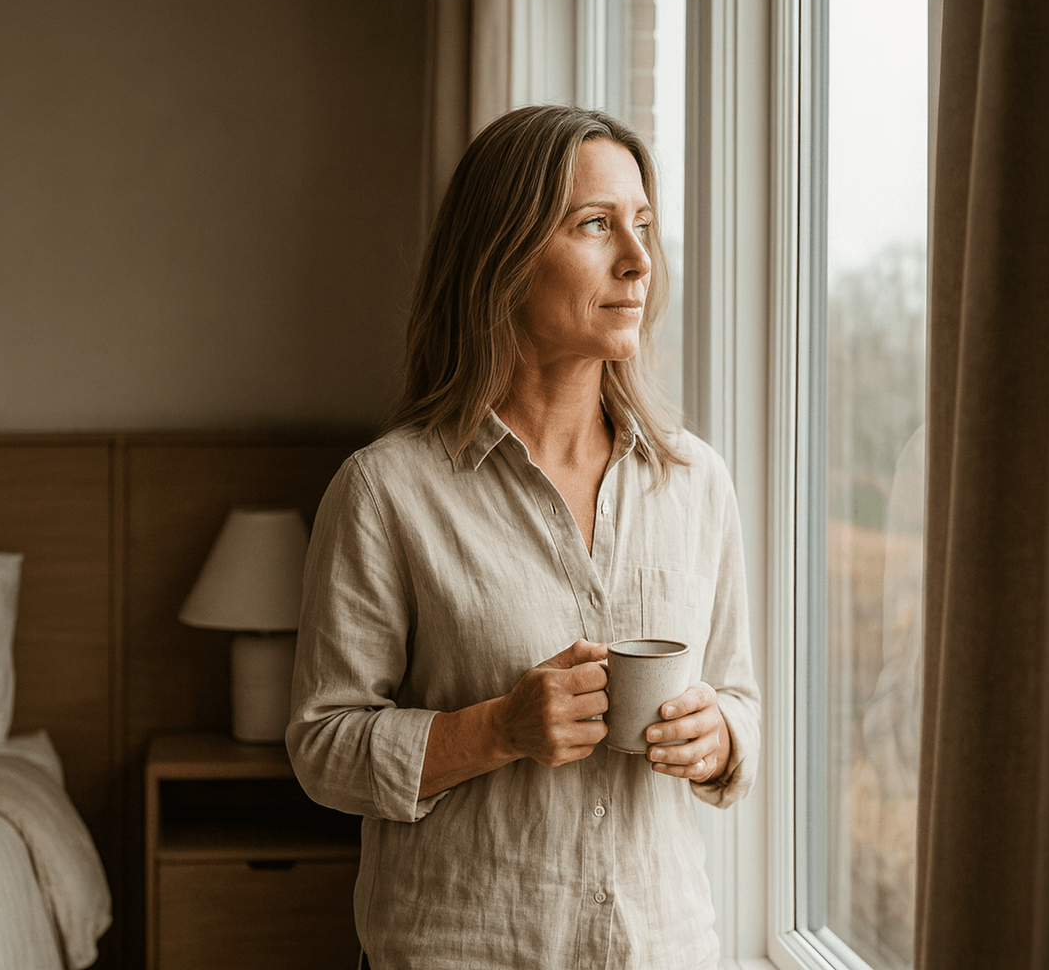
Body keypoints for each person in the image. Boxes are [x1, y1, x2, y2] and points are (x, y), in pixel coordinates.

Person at [287, 104, 760, 970]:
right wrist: (498, 729)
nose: (638, 259)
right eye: (595, 224)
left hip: (666, 948)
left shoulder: (696, 482)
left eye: (643, 225)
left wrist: (719, 737)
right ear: (500, 257)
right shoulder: (387, 491)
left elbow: (740, 700)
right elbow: (323, 746)